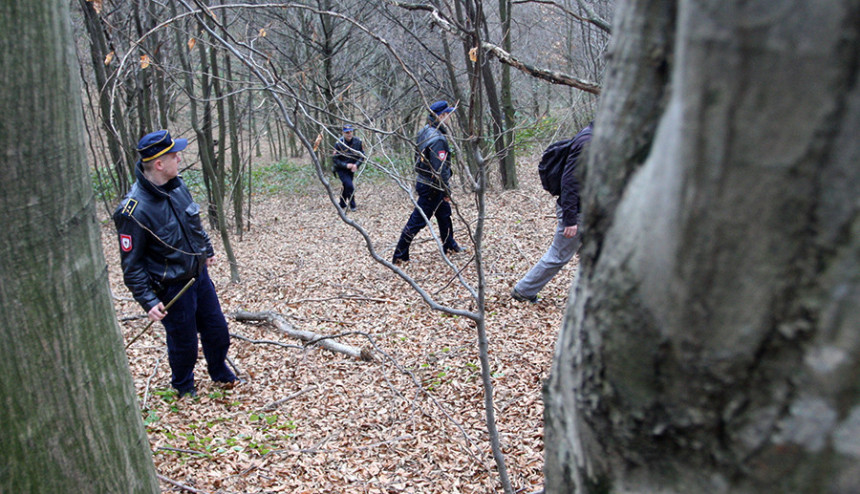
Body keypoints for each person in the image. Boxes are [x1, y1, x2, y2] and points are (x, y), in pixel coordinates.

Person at [114, 130, 237, 397]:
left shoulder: (178, 186)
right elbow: (131, 265)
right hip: (172, 288)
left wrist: (206, 250)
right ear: (159, 164)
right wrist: (147, 300)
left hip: (198, 277)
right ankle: (183, 386)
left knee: (217, 330)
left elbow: (195, 223)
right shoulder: (132, 211)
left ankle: (219, 372)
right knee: (184, 343)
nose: (179, 158)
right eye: (174, 155)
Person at [511, 122, 593, 303]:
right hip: (577, 211)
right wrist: (570, 220)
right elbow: (570, 182)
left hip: (588, 210)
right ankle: (523, 291)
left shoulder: (593, 136)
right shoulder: (588, 142)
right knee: (558, 256)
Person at [392, 100, 465, 264]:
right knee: (418, 221)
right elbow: (440, 170)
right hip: (432, 187)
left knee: (444, 215)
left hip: (427, 183)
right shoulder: (437, 138)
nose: (450, 118)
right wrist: (446, 191)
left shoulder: (425, 131)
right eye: (448, 115)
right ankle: (400, 255)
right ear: (441, 116)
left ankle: (450, 245)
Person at [332, 125, 365, 211]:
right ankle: (353, 205)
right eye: (347, 132)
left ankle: (342, 203)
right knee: (349, 185)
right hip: (341, 169)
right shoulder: (339, 143)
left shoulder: (358, 141)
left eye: (350, 132)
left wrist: (356, 165)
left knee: (346, 186)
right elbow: (335, 159)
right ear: (343, 133)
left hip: (351, 169)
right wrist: (345, 165)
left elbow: (362, 156)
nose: (349, 134)